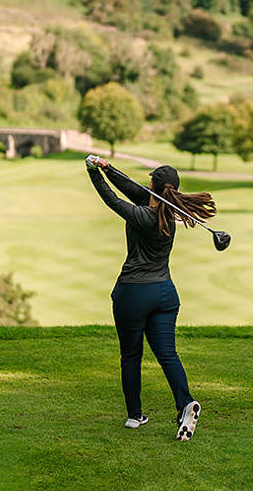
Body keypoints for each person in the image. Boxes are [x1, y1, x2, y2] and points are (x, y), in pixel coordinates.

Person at [85, 154, 217, 441]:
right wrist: (109, 169)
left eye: (150, 181)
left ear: (156, 188)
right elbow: (131, 189)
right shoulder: (165, 213)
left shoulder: (144, 215)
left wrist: (92, 172)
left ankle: (135, 416)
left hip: (133, 293)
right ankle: (185, 403)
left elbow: (113, 201)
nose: (146, 184)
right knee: (167, 353)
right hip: (165, 295)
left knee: (131, 355)